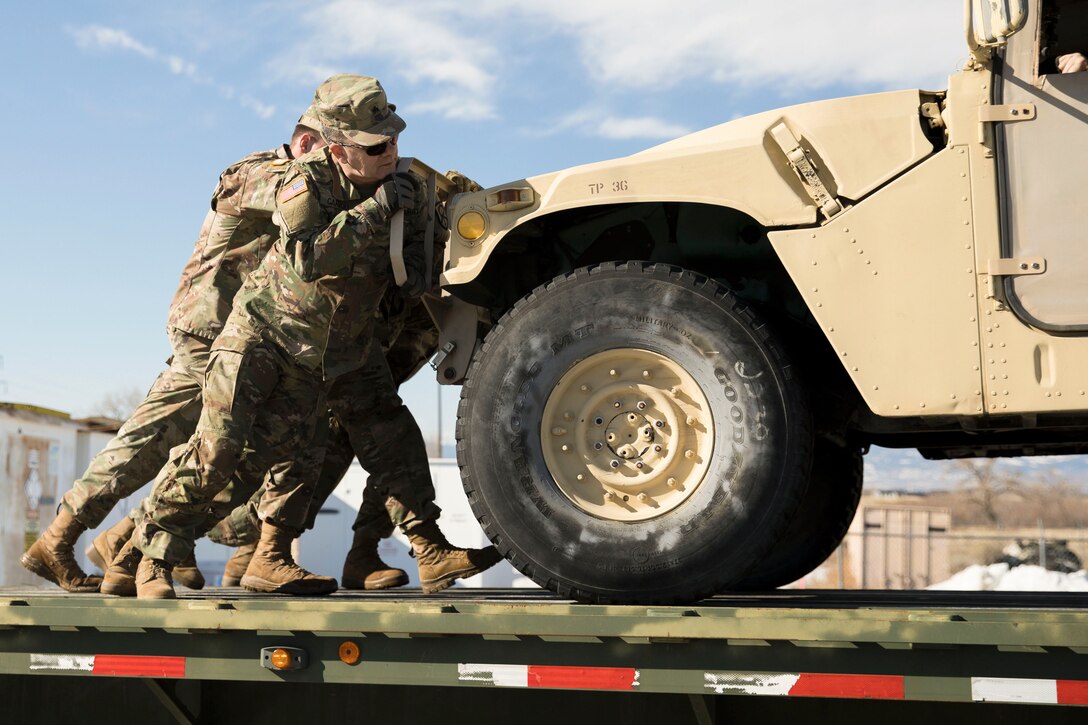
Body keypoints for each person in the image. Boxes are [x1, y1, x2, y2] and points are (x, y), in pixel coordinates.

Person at [129, 74, 500, 599]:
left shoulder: (407, 187)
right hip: (268, 336)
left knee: (351, 448)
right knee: (219, 453)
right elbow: (308, 258)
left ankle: (416, 549)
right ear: (339, 147)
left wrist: (427, 231)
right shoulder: (306, 183)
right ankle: (149, 556)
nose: (390, 153)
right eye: (375, 147)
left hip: (340, 347)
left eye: (394, 139)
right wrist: (374, 211)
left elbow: (412, 278)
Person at [20, 102, 330, 593]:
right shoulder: (259, 171)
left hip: (241, 332)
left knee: (196, 444)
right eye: (330, 151)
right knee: (159, 436)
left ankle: (119, 541)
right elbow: (292, 200)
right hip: (212, 326)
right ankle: (67, 539)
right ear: (308, 144)